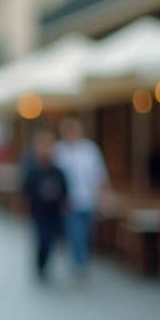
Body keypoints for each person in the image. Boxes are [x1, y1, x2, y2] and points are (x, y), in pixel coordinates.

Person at [52, 117, 109, 279]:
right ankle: (79, 264)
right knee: (75, 233)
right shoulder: (59, 150)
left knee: (87, 234)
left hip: (89, 200)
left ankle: (81, 260)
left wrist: (103, 196)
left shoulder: (90, 149)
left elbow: (99, 174)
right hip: (70, 201)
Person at [23, 131, 68, 280]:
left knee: (52, 240)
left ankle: (46, 264)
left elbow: (65, 191)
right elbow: (25, 190)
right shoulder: (33, 170)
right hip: (39, 211)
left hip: (54, 212)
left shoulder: (58, 171)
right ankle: (40, 265)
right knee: (43, 239)